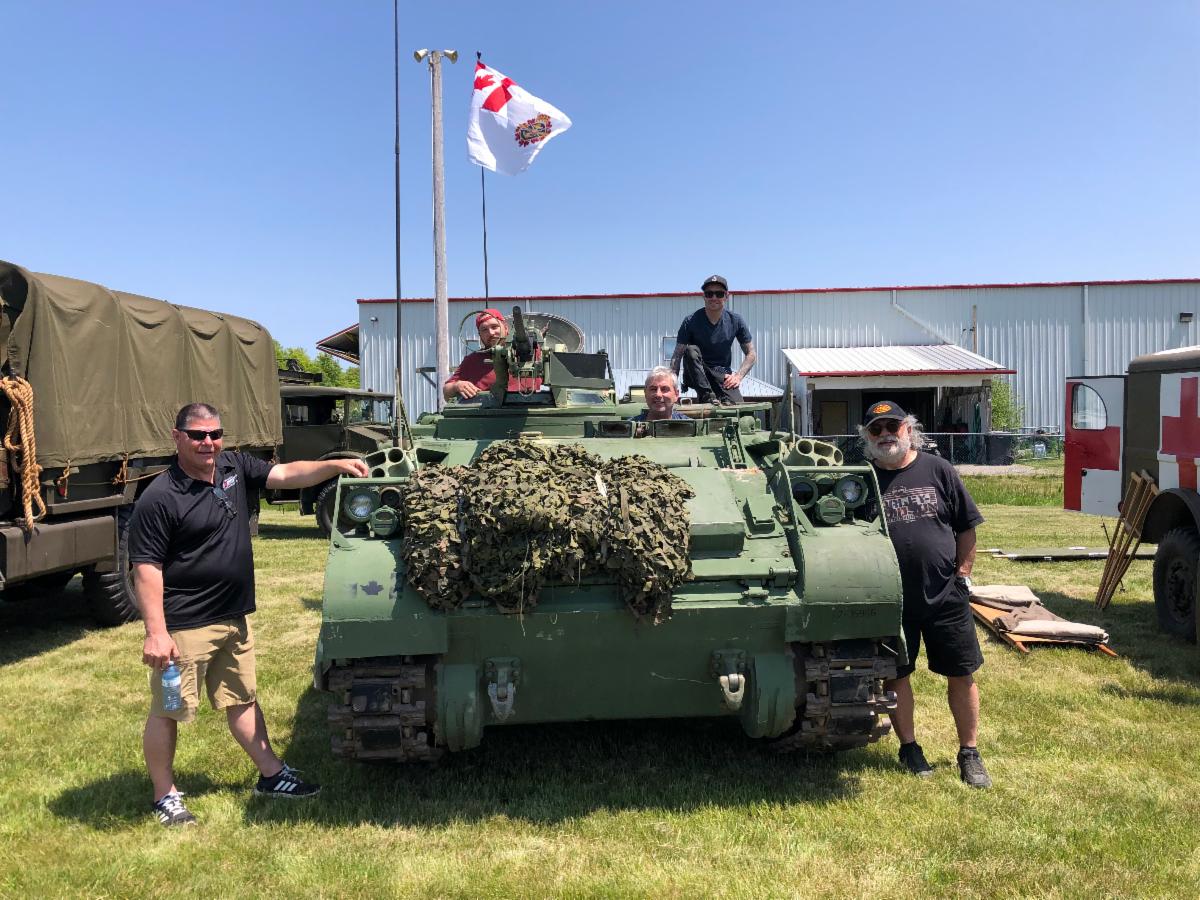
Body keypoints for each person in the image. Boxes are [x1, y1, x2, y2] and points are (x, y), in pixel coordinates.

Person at [130, 402, 370, 827]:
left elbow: (286, 474)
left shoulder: (233, 467)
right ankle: (163, 795)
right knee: (169, 710)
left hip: (234, 617)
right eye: (198, 435)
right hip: (185, 626)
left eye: (215, 434)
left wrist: (333, 466)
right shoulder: (160, 496)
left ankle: (271, 776)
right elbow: (147, 568)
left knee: (242, 699)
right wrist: (156, 632)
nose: (208, 443)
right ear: (177, 437)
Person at [858, 400, 992, 788]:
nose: (885, 435)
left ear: (908, 429)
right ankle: (910, 748)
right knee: (897, 675)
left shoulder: (938, 469)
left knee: (961, 673)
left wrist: (962, 574)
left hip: (944, 594)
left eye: (892, 427)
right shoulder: (862, 480)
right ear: (867, 437)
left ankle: (969, 753)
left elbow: (967, 526)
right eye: (876, 430)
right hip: (890, 598)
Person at [670, 275, 756, 405]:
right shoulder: (690, 321)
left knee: (739, 409)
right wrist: (671, 385)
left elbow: (751, 354)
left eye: (719, 294)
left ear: (726, 297)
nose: (714, 298)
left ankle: (714, 397)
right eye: (709, 294)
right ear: (704, 296)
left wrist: (738, 376)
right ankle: (706, 395)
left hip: (721, 375)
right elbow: (677, 356)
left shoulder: (736, 320)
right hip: (697, 373)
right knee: (690, 350)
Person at [443, 308, 509, 401]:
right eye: (484, 330)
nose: (491, 333)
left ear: (506, 328)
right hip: (484, 413)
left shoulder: (531, 353)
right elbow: (446, 391)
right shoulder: (472, 360)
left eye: (494, 327)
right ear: (480, 335)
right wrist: (456, 386)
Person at [631, 367, 688, 435]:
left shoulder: (689, 427)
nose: (658, 395)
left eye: (664, 389)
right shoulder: (629, 428)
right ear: (645, 393)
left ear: (676, 394)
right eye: (653, 389)